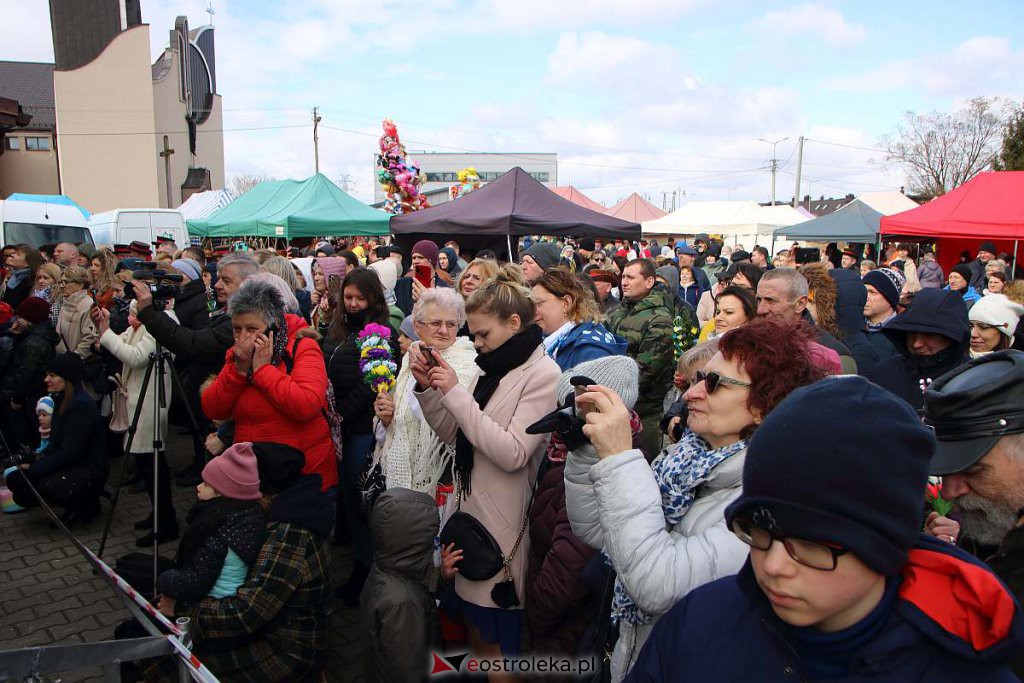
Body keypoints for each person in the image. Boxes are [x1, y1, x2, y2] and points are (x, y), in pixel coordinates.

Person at [626, 375, 1024, 683]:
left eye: (812, 543)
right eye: (759, 530)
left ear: (883, 541)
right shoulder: (701, 618)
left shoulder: (961, 670)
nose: (775, 565)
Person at [566, 318, 825, 681]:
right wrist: (588, 448)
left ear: (765, 405)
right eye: (699, 378)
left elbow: (657, 584)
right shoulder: (684, 458)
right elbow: (597, 530)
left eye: (714, 384)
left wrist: (620, 458)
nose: (690, 394)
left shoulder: (763, 498)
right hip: (630, 649)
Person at [412, 265, 560, 662]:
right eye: (472, 335)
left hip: (500, 531)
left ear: (514, 323)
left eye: (482, 334)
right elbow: (458, 435)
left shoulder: (544, 373)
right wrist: (430, 389)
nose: (476, 344)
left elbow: (512, 452)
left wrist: (457, 394)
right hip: (469, 520)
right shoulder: (492, 367)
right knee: (477, 642)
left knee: (495, 651)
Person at [152, 442, 334, 682]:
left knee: (166, 664)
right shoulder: (280, 512)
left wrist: (182, 610)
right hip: (269, 629)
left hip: (285, 650)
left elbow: (246, 613)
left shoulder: (290, 535)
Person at [527, 356, 642, 665]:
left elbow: (569, 570)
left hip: (562, 634)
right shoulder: (565, 457)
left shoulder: (593, 470)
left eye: (570, 406)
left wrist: (531, 618)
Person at [136, 252, 260, 487]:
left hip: (222, 412)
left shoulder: (244, 323)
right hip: (209, 402)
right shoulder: (227, 313)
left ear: (248, 283)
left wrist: (149, 314)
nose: (217, 285)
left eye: (226, 280)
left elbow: (193, 343)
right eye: (218, 278)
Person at [324, 268, 396, 605]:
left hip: (361, 430)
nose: (353, 304)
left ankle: (365, 567)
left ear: (373, 299)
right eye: (348, 297)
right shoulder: (340, 326)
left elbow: (374, 384)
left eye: (359, 298)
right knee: (348, 496)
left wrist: (341, 414)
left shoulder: (379, 333)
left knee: (360, 496)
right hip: (340, 427)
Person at [373, 288, 477, 495]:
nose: (444, 331)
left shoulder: (469, 364)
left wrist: (426, 390)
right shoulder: (410, 358)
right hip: (399, 483)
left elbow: (453, 428)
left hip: (442, 482)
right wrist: (385, 419)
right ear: (417, 326)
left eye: (451, 324)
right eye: (436, 323)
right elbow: (396, 428)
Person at [94, 299, 179, 546]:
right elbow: (120, 341)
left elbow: (136, 357)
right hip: (139, 402)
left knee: (153, 464)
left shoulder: (158, 327)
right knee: (146, 462)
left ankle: (166, 521)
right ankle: (158, 514)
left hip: (150, 404)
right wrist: (105, 327)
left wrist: (106, 334)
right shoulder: (139, 327)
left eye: (135, 315)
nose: (131, 320)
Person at [155, 442, 265, 604]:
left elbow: (194, 584)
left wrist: (163, 578)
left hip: (214, 606)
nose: (198, 488)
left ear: (223, 494)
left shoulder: (219, 530)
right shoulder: (247, 516)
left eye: (206, 484)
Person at [5, 353, 107, 526]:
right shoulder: (63, 400)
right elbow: (55, 444)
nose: (46, 379)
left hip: (88, 469)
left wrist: (34, 468)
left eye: (52, 375)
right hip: (75, 463)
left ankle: (80, 505)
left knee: (26, 482)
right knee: (16, 478)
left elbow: (70, 453)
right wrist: (35, 458)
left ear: (67, 378)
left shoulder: (80, 406)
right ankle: (80, 503)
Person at [361, 488, 440, 682]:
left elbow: (415, 575)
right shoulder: (402, 604)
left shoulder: (385, 567)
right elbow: (408, 669)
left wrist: (439, 576)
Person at [606, 259, 680, 458]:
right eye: (623, 277)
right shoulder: (619, 311)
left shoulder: (659, 319)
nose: (624, 282)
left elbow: (647, 370)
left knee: (643, 464)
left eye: (631, 277)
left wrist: (612, 389)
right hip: (615, 405)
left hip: (643, 410)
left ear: (649, 282)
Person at [867, 288, 970, 412]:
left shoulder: (972, 379)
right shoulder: (885, 372)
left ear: (952, 337)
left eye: (929, 334)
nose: (917, 344)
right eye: (911, 333)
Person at [531, 269, 626, 371]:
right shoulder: (554, 340)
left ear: (566, 303)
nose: (533, 311)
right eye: (532, 305)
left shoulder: (590, 352)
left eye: (539, 303)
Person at [755, 269, 847, 374]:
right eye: (759, 300)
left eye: (771, 300)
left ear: (800, 304)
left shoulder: (829, 355)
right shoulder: (749, 341)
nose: (760, 310)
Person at [0, 297, 58, 449]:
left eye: (21, 316)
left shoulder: (34, 343)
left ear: (30, 318)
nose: (18, 319)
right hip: (30, 395)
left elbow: (25, 373)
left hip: (28, 396)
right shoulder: (35, 336)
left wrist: (16, 398)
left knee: (24, 433)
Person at [394, 240, 450, 315]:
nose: (415, 261)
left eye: (420, 257)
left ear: (432, 260)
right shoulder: (402, 284)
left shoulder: (444, 289)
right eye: (414, 258)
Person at [55, 266, 98, 361]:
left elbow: (89, 338)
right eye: (60, 282)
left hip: (75, 363)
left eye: (66, 282)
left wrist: (73, 359)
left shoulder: (88, 305)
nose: (62, 285)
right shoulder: (65, 302)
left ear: (80, 284)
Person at [862, 268, 902, 361]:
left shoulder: (901, 334)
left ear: (890, 298)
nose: (865, 296)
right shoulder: (853, 325)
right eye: (863, 290)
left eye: (872, 292)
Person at [3, 244, 43, 309]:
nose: (12, 255)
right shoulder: (14, 276)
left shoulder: (29, 281)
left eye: (17, 254)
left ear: (27, 263)